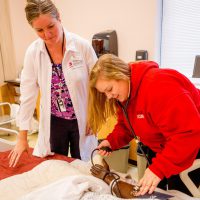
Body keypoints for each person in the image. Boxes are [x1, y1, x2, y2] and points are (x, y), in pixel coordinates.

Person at [88, 53, 200, 196]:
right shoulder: (125, 94)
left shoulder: (159, 86)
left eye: (109, 89)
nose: (109, 96)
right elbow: (126, 124)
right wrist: (111, 141)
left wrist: (158, 169)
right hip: (160, 149)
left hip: (188, 148)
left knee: (178, 194)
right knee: (151, 191)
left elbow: (188, 133)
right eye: (104, 93)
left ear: (121, 74)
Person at [9, 0, 97, 167]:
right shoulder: (33, 52)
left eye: (50, 26)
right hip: (55, 121)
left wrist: (94, 116)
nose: (47, 35)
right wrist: (22, 137)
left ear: (59, 18)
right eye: (39, 30)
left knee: (85, 165)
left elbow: (97, 86)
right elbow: (27, 95)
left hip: (84, 119)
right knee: (56, 166)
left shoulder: (82, 46)